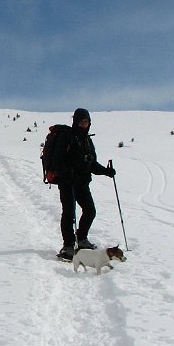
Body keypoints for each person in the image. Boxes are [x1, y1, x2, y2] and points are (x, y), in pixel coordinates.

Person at [48, 108, 115, 260]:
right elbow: (57, 160)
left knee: (90, 211)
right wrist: (65, 174)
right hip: (67, 182)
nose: (84, 125)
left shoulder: (88, 141)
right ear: (76, 122)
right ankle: (68, 246)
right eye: (82, 122)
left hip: (82, 183)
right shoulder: (66, 137)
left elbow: (92, 164)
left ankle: (82, 240)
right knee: (69, 213)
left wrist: (106, 171)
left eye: (86, 122)